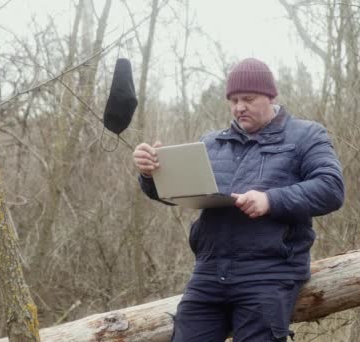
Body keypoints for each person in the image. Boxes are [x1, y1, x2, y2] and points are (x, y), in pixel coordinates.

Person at [132, 58, 344, 342]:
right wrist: (150, 174)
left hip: (269, 274)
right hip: (209, 271)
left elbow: (331, 189)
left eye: (248, 98)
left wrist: (271, 200)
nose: (239, 107)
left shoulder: (306, 135)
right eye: (233, 100)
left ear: (270, 97)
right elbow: (174, 193)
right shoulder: (211, 143)